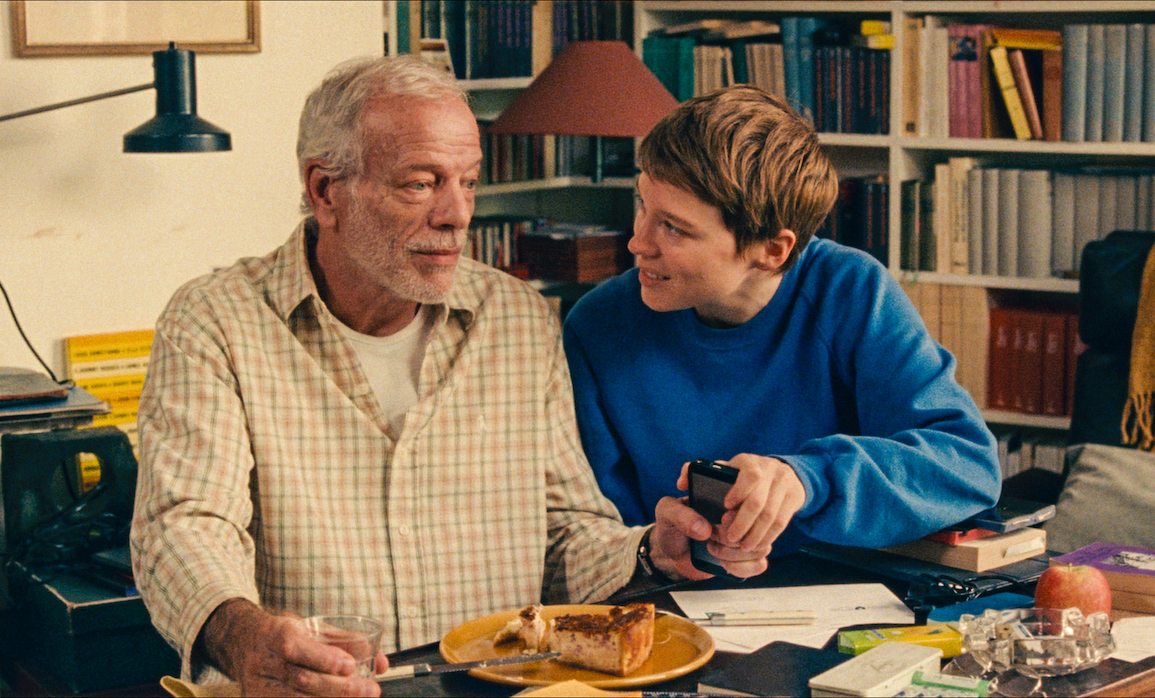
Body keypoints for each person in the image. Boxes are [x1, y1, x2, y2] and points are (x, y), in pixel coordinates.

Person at [130, 55, 761, 698]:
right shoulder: (214, 322)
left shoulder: (516, 318)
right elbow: (185, 525)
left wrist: (652, 549)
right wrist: (243, 637)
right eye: (421, 184)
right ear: (326, 190)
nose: (457, 214)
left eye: (468, 182)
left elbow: (566, 533)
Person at [562, 85, 1002, 565]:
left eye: (674, 227)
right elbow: (593, 529)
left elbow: (968, 466)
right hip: (670, 604)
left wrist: (806, 479)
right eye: (642, 204)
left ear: (773, 251)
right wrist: (656, 547)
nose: (637, 242)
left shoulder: (851, 292)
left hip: (842, 599)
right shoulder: (597, 326)